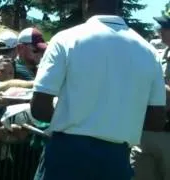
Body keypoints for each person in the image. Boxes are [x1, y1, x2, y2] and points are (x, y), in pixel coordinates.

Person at [30, 0, 166, 179]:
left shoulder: (66, 39)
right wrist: (118, 123)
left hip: (66, 154)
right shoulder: (149, 52)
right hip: (116, 159)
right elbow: (157, 120)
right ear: (119, 5)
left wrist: (74, 117)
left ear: (86, 3)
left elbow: (39, 107)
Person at [131, 9, 170, 180]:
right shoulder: (158, 56)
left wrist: (152, 84)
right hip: (146, 132)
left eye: (165, 27)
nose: (159, 30)